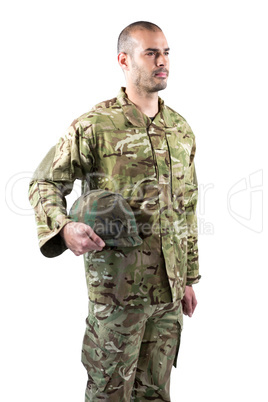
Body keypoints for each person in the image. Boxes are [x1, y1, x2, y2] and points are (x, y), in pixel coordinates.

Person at [29, 21, 200, 402]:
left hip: (168, 296)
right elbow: (44, 183)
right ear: (124, 60)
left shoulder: (180, 130)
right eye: (151, 53)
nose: (162, 62)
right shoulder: (96, 125)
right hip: (117, 294)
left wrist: (188, 277)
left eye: (166, 52)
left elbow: (186, 209)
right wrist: (64, 227)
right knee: (109, 393)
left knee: (155, 393)